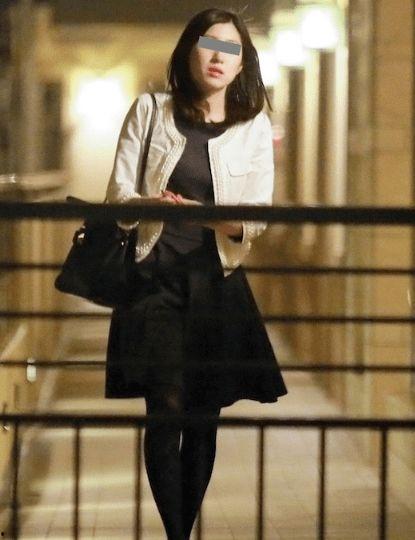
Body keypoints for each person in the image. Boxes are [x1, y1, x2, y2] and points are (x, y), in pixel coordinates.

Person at [104, 7, 288, 540]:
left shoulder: (252, 126)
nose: (218, 58)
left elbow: (253, 220)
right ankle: (177, 535)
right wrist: (153, 204)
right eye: (210, 44)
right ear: (189, 50)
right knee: (165, 408)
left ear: (242, 64)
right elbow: (117, 199)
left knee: (204, 416)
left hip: (215, 285)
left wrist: (199, 214)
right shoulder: (150, 110)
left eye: (232, 49)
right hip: (153, 278)